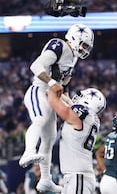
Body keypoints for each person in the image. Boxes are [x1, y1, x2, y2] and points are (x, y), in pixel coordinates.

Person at [19, 23, 95, 192]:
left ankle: (45, 180)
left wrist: (70, 102)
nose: (84, 49)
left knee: (49, 138)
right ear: (75, 37)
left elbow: (63, 86)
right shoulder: (58, 45)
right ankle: (29, 151)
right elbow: (35, 66)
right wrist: (52, 82)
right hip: (38, 90)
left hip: (51, 95)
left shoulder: (73, 58)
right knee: (41, 118)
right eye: (83, 45)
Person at [48, 87, 106, 194]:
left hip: (78, 176)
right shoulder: (87, 117)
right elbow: (67, 102)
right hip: (75, 176)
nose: (77, 97)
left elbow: (53, 101)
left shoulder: (83, 115)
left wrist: (51, 84)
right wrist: (64, 84)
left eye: (81, 96)